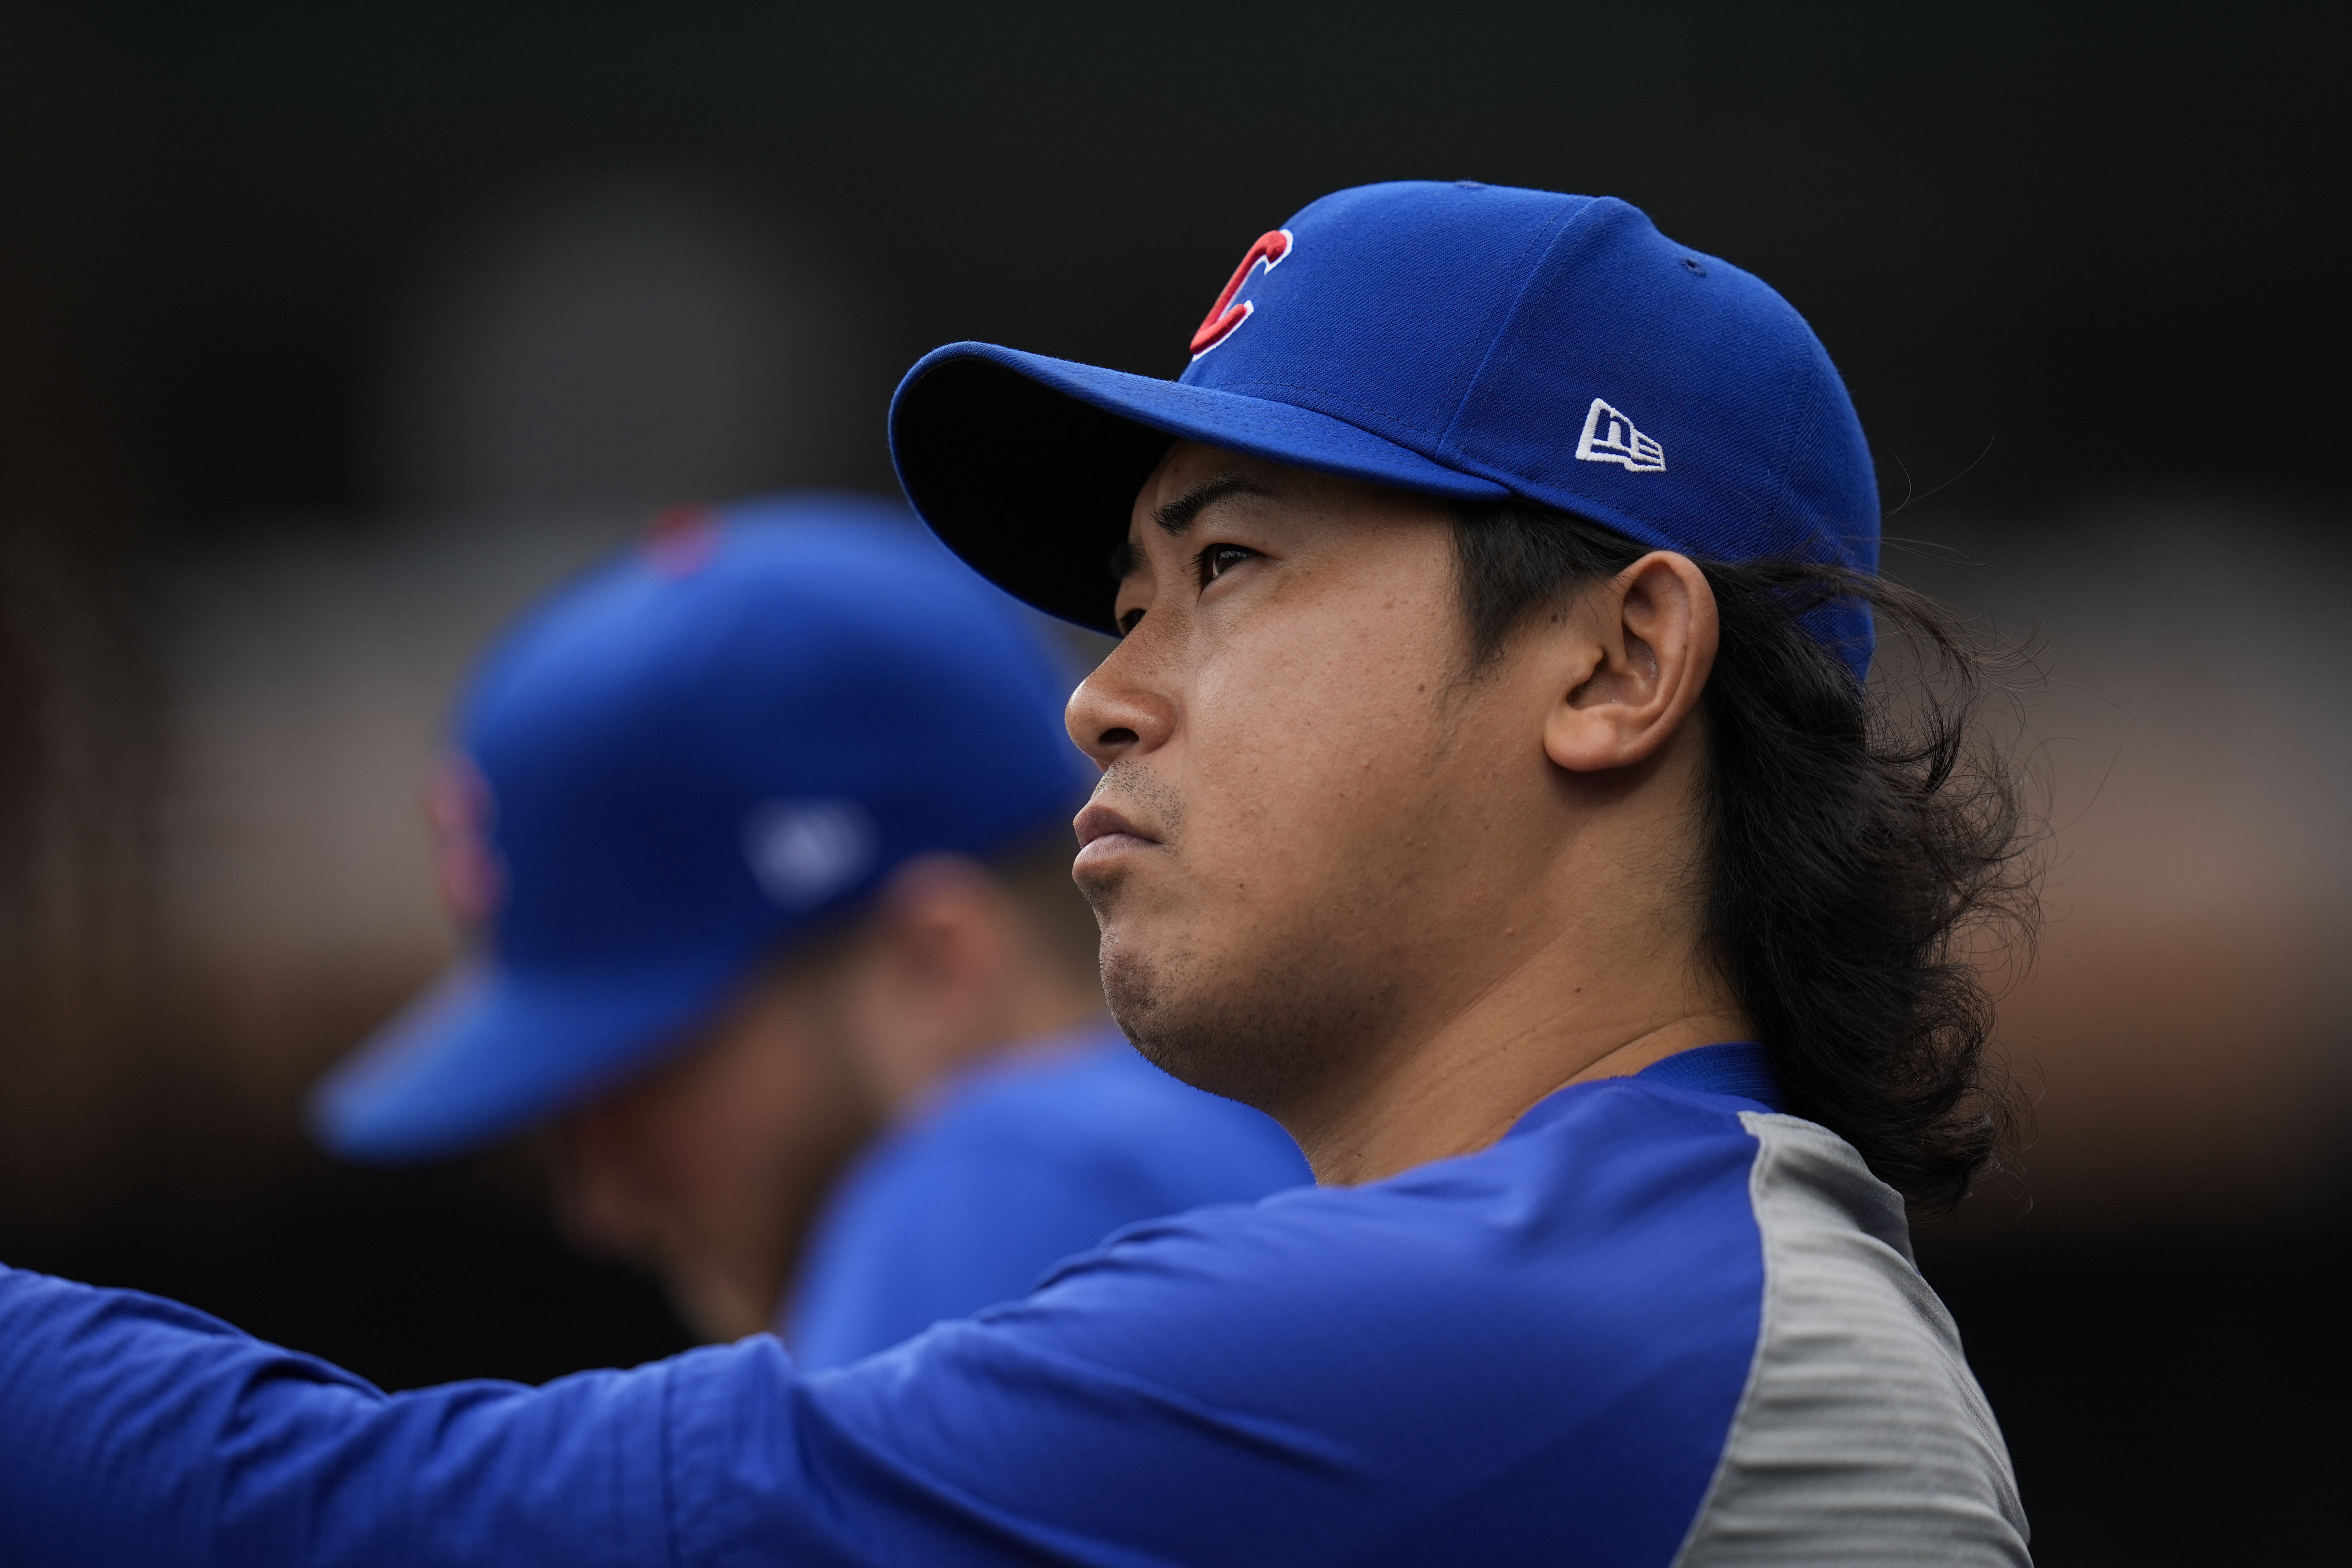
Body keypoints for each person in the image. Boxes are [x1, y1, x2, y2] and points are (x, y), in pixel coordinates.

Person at [0, 181, 2035, 1563]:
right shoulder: (1654, 1278)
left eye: (1228, 566)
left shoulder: (1558, 1313)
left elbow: (383, 1524)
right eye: (1126, 597)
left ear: (1615, 661)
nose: (1102, 698)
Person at [307, 492, 1308, 1357]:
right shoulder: (1212, 1163)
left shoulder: (1023, 1167)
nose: (601, 1202)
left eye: (638, 1072)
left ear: (934, 964)